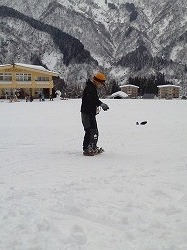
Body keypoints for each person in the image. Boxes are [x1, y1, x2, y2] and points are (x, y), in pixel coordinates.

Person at [81, 72, 109, 156]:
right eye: (101, 83)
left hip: (91, 113)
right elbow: (92, 99)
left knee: (94, 131)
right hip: (86, 113)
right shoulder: (90, 88)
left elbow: (93, 100)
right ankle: (86, 148)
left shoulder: (92, 87)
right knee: (89, 131)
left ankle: (93, 146)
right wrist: (100, 104)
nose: (101, 85)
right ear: (97, 81)